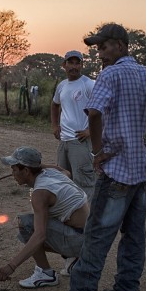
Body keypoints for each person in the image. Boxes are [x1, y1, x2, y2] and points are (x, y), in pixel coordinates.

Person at [47, 23, 146, 291]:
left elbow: (95, 113)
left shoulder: (110, 74)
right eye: (97, 48)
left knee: (97, 234)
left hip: (116, 172)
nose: (99, 54)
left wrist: (97, 152)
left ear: (121, 46)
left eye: (103, 47)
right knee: (134, 236)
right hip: (140, 170)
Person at [0, 146, 89, 288]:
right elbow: (66, 171)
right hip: (90, 237)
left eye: (14, 169)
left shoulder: (40, 193)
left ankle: (46, 274)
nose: (12, 173)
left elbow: (40, 236)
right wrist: (36, 165)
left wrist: (10, 266)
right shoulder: (52, 173)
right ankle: (74, 258)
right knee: (44, 218)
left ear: (26, 171)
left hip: (82, 242)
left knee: (26, 223)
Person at [50, 50, 96, 202]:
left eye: (78, 63)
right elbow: (55, 105)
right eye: (71, 62)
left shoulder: (89, 84)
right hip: (64, 142)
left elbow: (105, 109)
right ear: (64, 65)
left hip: (81, 142)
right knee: (63, 180)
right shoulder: (62, 86)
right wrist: (55, 126)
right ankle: (70, 216)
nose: (74, 66)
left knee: (84, 183)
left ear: (82, 65)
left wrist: (91, 131)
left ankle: (86, 221)